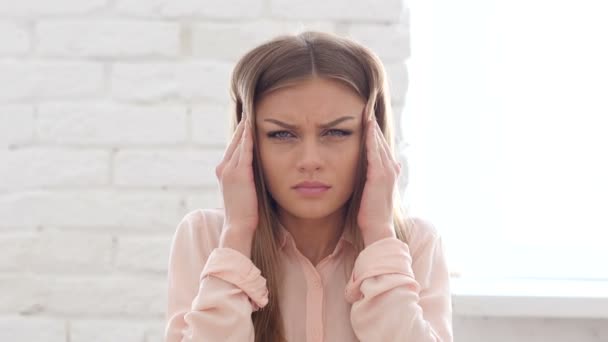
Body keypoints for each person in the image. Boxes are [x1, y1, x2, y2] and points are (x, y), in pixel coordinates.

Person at [164, 30, 453, 342]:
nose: (310, 160)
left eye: (337, 133)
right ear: (247, 141)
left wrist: (378, 234)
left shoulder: (417, 244)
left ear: (373, 138)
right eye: (282, 134)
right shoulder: (205, 237)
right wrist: (238, 235)